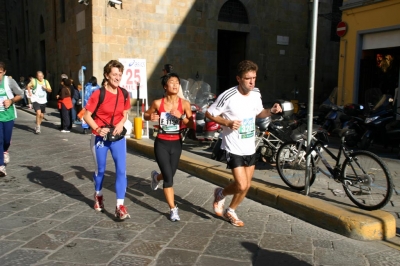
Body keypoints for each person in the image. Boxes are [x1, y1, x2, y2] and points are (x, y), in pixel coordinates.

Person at [205, 60, 282, 227]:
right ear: (239, 79)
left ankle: (231, 210)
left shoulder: (256, 93)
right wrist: (227, 123)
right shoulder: (228, 96)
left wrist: (271, 111)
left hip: (249, 145)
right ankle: (221, 193)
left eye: (254, 78)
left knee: (247, 185)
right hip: (233, 146)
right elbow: (209, 113)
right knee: (240, 184)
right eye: (248, 78)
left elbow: (259, 113)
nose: (252, 82)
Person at [83, 60, 131, 220]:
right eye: (114, 74)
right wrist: (97, 128)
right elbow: (86, 115)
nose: (117, 77)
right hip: (100, 137)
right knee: (101, 170)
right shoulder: (98, 94)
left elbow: (125, 112)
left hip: (117, 137)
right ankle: (98, 194)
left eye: (119, 74)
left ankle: (120, 206)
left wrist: (121, 123)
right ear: (106, 75)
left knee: (122, 171)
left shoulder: (124, 93)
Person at [144, 72, 194, 222]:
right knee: (169, 179)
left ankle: (155, 177)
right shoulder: (158, 103)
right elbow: (146, 114)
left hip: (176, 143)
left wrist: (182, 117)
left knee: (169, 174)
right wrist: (150, 117)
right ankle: (173, 209)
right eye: (172, 82)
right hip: (161, 143)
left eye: (177, 82)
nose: (175, 85)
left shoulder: (184, 104)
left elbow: (191, 124)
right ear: (165, 86)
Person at [0, 62, 23, 176]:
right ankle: (1, 166)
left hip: (8, 115)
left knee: (6, 140)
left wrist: (11, 101)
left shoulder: (8, 81)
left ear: (4, 72)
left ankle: (5, 150)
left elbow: (20, 94)